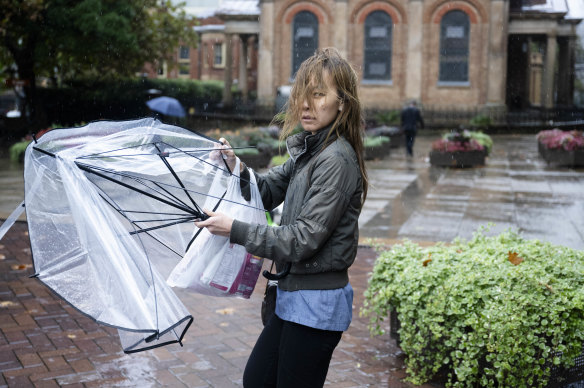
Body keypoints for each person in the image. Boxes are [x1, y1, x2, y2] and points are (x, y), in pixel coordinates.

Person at [195, 47, 368, 388]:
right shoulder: (311, 149)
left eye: (318, 95)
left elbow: (303, 239)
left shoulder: (335, 159)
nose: (305, 104)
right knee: (258, 379)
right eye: (302, 94)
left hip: (317, 304)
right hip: (293, 294)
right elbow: (267, 190)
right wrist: (234, 164)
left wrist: (235, 229)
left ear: (342, 103)